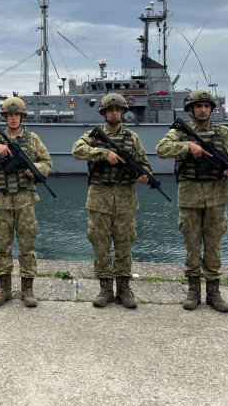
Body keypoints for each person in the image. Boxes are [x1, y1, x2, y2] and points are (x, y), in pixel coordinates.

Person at [156, 90, 228, 313]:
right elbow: (161, 149)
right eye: (198, 106)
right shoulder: (179, 131)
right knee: (192, 244)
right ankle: (193, 290)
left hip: (216, 195)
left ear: (211, 109)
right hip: (190, 194)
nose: (203, 109)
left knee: (213, 244)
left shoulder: (223, 132)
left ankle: (214, 292)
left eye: (206, 106)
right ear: (191, 109)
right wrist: (187, 147)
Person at [71, 93, 152, 309]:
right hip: (99, 197)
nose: (114, 113)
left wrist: (144, 176)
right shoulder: (93, 136)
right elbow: (77, 150)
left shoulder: (133, 138)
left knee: (124, 245)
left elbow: (145, 164)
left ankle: (124, 289)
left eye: (118, 110)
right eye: (110, 110)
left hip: (125, 198)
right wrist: (103, 153)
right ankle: (105, 289)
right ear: (104, 113)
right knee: (101, 245)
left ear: (123, 112)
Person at [0, 96, 52, 308]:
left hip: (25, 199)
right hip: (1, 199)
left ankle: (28, 289)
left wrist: (35, 170)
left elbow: (47, 163)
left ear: (22, 116)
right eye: (10, 114)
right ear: (5, 117)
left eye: (17, 114)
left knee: (27, 245)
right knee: (2, 246)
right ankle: (4, 289)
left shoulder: (33, 139)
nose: (14, 118)